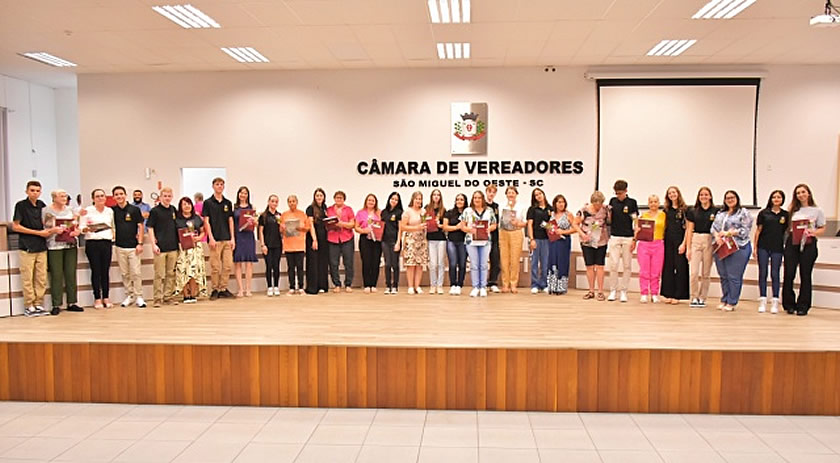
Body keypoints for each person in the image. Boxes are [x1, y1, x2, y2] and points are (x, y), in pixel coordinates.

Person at [13, 181, 60, 316]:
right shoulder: (21, 206)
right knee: (27, 277)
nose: (35, 193)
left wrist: (52, 229)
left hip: (41, 246)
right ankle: (29, 305)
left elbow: (47, 223)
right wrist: (38, 233)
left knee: (41, 277)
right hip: (27, 246)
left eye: (37, 191)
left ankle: (38, 303)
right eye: (32, 190)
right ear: (27, 191)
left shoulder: (42, 205)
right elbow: (16, 226)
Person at [783, 184, 826, 316]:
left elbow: (822, 228)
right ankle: (789, 304)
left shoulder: (817, 211)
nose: (800, 195)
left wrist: (813, 232)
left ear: (808, 193)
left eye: (803, 192)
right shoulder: (792, 211)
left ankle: (803, 306)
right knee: (789, 273)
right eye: (798, 193)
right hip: (792, 243)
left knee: (805, 275)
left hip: (808, 244)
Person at [712, 190, 754, 312]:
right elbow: (713, 227)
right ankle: (724, 299)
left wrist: (729, 233)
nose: (730, 200)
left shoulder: (743, 212)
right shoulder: (721, 213)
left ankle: (732, 301)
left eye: (732, 197)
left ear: (737, 198)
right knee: (723, 275)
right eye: (727, 198)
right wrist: (716, 236)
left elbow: (745, 230)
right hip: (721, 247)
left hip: (738, 247)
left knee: (734, 276)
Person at [42, 189, 83, 315]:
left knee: (71, 273)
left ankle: (72, 302)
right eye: (61, 196)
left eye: (65, 196)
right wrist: (54, 230)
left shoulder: (71, 210)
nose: (64, 198)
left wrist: (77, 231)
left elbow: (77, 224)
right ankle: (56, 304)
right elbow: (45, 227)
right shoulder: (46, 210)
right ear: (54, 198)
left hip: (70, 244)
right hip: (54, 245)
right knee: (56, 274)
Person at [753, 190, 788, 314]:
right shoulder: (763, 213)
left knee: (775, 273)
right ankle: (762, 300)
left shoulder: (785, 215)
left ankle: (775, 301)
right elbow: (758, 231)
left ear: (782, 199)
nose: (776, 199)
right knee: (763, 272)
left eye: (779, 197)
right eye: (774, 197)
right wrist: (755, 247)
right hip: (763, 247)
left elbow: (786, 232)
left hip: (777, 248)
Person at [80, 188, 116, 309]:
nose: (100, 198)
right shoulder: (87, 211)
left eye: (102, 196)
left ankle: (106, 297)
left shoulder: (109, 211)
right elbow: (81, 227)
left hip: (106, 242)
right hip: (92, 243)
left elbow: (112, 226)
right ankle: (97, 298)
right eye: (97, 196)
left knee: (105, 271)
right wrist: (86, 229)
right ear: (93, 199)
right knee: (96, 271)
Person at [111, 186, 146, 308]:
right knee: (125, 273)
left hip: (133, 247)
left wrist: (140, 243)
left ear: (125, 195)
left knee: (136, 273)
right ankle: (129, 295)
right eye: (116, 194)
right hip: (119, 246)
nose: (119, 196)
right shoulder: (112, 211)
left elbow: (141, 226)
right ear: (114, 197)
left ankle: (139, 296)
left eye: (121, 194)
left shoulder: (134, 209)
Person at [202, 177, 235, 300]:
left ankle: (223, 288)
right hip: (214, 240)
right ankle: (215, 289)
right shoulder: (208, 203)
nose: (220, 186)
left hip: (227, 239)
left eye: (221, 184)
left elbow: (230, 220)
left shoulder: (228, 203)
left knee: (227, 266)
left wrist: (232, 238)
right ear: (213, 186)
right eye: (217, 184)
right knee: (215, 267)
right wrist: (210, 237)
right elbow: (206, 221)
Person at [685, 187, 718, 308]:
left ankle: (702, 297)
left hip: (709, 240)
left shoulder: (716, 211)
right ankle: (694, 296)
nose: (704, 197)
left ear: (710, 196)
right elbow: (689, 230)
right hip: (696, 239)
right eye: (701, 195)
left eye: (706, 195)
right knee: (693, 272)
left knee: (706, 272)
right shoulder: (693, 211)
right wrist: (688, 248)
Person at [460, 190, 497, 297]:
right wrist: (469, 230)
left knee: (484, 264)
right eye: (475, 198)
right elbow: (462, 226)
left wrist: (489, 229)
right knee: (474, 264)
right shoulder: (467, 211)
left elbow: (494, 224)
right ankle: (476, 287)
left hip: (485, 241)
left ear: (482, 199)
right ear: (472, 199)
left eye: (479, 198)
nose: (477, 200)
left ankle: (483, 287)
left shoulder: (489, 211)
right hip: (471, 241)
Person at [147, 187, 179, 308]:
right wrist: (153, 244)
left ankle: (168, 297)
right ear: (160, 197)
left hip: (173, 247)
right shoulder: (155, 211)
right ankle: (157, 298)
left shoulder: (173, 210)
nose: (167, 198)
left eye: (169, 196)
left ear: (172, 197)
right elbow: (150, 228)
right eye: (164, 196)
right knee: (159, 274)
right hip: (160, 248)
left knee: (171, 274)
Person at [606, 180, 638, 303]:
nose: (618, 195)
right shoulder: (612, 201)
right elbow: (609, 219)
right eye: (616, 193)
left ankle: (624, 291)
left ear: (626, 191)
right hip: (614, 236)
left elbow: (635, 221)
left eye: (620, 193)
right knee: (613, 265)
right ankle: (613, 290)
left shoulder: (632, 203)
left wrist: (635, 238)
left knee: (627, 265)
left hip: (628, 237)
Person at [576, 191, 610, 301]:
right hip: (587, 241)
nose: (598, 207)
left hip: (601, 241)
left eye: (600, 204)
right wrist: (582, 234)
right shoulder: (584, 210)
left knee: (600, 266)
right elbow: (575, 224)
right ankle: (591, 290)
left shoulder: (606, 209)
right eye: (596, 205)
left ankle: (600, 291)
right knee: (589, 266)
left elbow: (610, 222)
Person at [660, 186, 690, 304]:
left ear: (678, 193)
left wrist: (684, 244)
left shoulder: (685, 210)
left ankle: (679, 295)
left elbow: (688, 228)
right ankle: (668, 294)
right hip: (668, 241)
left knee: (681, 267)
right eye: (669, 193)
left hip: (680, 241)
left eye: (674, 192)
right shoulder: (665, 210)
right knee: (668, 267)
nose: (672, 194)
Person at [174, 196, 207, 303]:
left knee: (194, 272)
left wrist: (199, 237)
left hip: (196, 248)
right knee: (183, 271)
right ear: (180, 206)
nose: (187, 206)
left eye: (188, 204)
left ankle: (193, 295)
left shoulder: (197, 218)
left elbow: (203, 231)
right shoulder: (177, 220)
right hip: (183, 248)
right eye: (184, 204)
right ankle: (185, 295)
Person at [635, 194, 666, 303]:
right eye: (651, 202)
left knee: (656, 271)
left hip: (658, 244)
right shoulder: (643, 216)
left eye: (655, 201)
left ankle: (654, 293)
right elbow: (637, 231)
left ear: (659, 203)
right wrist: (637, 232)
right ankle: (644, 293)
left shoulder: (663, 215)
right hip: (644, 244)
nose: (653, 204)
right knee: (644, 271)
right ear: (648, 204)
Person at [497, 186, 528, 293]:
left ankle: (514, 284)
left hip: (516, 232)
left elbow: (526, 222)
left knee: (515, 259)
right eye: (509, 193)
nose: (511, 194)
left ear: (516, 194)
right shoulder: (501, 206)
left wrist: (518, 223)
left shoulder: (522, 207)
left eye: (513, 192)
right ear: (506, 195)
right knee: (504, 259)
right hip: (503, 232)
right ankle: (505, 284)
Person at [546, 194, 578, 295]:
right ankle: (551, 286)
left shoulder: (568, 214)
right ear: (555, 203)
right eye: (559, 202)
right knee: (552, 261)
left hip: (563, 242)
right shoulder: (551, 214)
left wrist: (563, 232)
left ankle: (561, 287)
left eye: (562, 202)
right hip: (553, 241)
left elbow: (575, 229)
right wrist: (549, 228)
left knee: (562, 262)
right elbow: (549, 226)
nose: (561, 204)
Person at [327, 191, 356, 292]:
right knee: (333, 263)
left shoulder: (349, 209)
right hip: (332, 238)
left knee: (348, 262)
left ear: (344, 199)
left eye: (341, 198)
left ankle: (348, 284)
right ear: (334, 199)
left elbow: (352, 224)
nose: (338, 199)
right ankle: (336, 284)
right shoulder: (329, 209)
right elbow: (326, 223)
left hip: (347, 238)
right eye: (337, 198)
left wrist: (341, 224)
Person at [401, 191, 429, 294]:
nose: (418, 201)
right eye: (416, 198)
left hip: (421, 240)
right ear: (413, 199)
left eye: (420, 199)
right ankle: (410, 286)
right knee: (411, 264)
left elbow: (427, 224)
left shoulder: (424, 211)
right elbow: (403, 227)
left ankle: (417, 286)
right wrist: (416, 227)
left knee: (420, 264)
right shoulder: (407, 211)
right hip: (411, 240)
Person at [355, 193, 383, 293]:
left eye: (373, 201)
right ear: (366, 202)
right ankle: (367, 284)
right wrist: (364, 230)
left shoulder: (379, 212)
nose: (371, 202)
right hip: (365, 239)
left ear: (375, 202)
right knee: (366, 262)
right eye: (369, 200)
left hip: (377, 240)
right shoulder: (360, 212)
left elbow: (383, 225)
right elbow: (356, 227)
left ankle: (373, 284)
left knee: (375, 261)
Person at [233, 186, 257, 297]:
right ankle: (240, 289)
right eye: (241, 193)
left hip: (249, 236)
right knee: (238, 262)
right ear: (238, 194)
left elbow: (256, 223)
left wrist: (254, 221)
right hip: (238, 236)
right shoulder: (234, 208)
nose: (243, 195)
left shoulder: (252, 207)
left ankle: (248, 289)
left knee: (249, 262)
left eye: (245, 193)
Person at [526, 188, 552, 294]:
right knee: (534, 263)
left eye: (540, 194)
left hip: (547, 239)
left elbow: (553, 224)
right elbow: (529, 224)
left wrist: (548, 226)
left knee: (545, 263)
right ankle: (535, 284)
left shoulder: (550, 208)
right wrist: (531, 239)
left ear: (544, 194)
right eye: (536, 195)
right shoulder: (532, 209)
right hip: (536, 238)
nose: (538, 196)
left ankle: (544, 284)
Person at [282, 195, 309, 295]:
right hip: (288, 245)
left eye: (293, 201)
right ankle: (292, 287)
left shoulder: (302, 214)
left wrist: (300, 227)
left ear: (297, 202)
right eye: (290, 201)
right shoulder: (284, 215)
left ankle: (301, 287)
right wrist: (283, 228)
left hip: (299, 244)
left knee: (300, 267)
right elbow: (280, 229)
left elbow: (307, 228)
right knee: (290, 267)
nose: (292, 203)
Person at [305, 188, 330, 294]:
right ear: (314, 197)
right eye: (317, 195)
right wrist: (314, 239)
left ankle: (322, 285)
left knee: (323, 262)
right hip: (313, 238)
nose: (319, 197)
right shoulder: (310, 208)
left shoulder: (325, 208)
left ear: (324, 197)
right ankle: (312, 287)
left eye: (321, 195)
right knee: (313, 262)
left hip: (324, 238)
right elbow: (311, 224)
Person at [258, 195, 283, 296]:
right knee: (269, 266)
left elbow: (281, 232)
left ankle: (276, 286)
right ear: (268, 202)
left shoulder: (279, 216)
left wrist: (282, 227)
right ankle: (269, 287)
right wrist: (263, 245)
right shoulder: (263, 216)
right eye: (272, 201)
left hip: (277, 245)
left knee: (276, 266)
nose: (274, 203)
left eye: (276, 202)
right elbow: (260, 231)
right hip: (267, 245)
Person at [443, 193, 468, 295]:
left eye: (461, 200)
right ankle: (453, 284)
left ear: (465, 201)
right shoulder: (449, 213)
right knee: (452, 264)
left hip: (464, 242)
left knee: (462, 264)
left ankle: (459, 285)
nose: (459, 201)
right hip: (452, 241)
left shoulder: (468, 213)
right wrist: (457, 227)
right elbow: (445, 227)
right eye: (457, 199)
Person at [425, 189, 447, 295]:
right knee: (433, 264)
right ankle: (433, 285)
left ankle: (439, 285)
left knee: (440, 263)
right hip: (430, 238)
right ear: (431, 196)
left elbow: (445, 226)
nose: (436, 196)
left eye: (438, 195)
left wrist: (440, 225)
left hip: (441, 239)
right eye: (434, 194)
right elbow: (423, 221)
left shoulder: (444, 210)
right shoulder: (426, 209)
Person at [381, 192, 403, 295]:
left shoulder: (399, 212)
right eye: (392, 199)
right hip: (385, 241)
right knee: (387, 264)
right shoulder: (384, 212)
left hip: (395, 241)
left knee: (395, 264)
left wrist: (398, 242)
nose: (394, 201)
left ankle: (395, 286)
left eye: (396, 199)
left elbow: (400, 229)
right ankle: (388, 286)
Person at [485, 185, 501, 293]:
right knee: (483, 261)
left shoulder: (496, 206)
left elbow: (497, 221)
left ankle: (493, 282)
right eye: (489, 191)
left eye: (493, 192)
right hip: (483, 236)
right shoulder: (481, 204)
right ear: (486, 192)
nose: (491, 194)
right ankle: (483, 283)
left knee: (495, 259)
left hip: (494, 236)